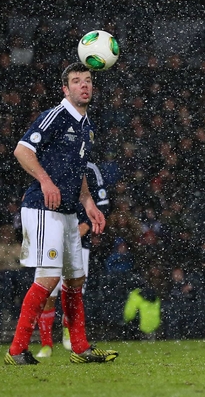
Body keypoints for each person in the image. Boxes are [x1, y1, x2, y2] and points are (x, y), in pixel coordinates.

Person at [5, 62, 118, 365]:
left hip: (69, 211)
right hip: (43, 209)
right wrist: (44, 180)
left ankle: (80, 349)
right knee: (48, 278)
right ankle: (16, 350)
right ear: (65, 89)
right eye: (77, 81)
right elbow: (21, 150)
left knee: (76, 279)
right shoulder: (56, 116)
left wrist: (88, 202)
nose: (84, 85)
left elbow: (78, 169)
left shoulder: (85, 124)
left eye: (88, 80)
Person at [36, 161, 111, 358]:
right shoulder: (48, 160)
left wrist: (84, 227)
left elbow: (102, 201)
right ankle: (46, 344)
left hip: (78, 240)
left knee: (73, 290)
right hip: (51, 231)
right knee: (48, 290)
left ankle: (70, 334)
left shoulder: (90, 167)